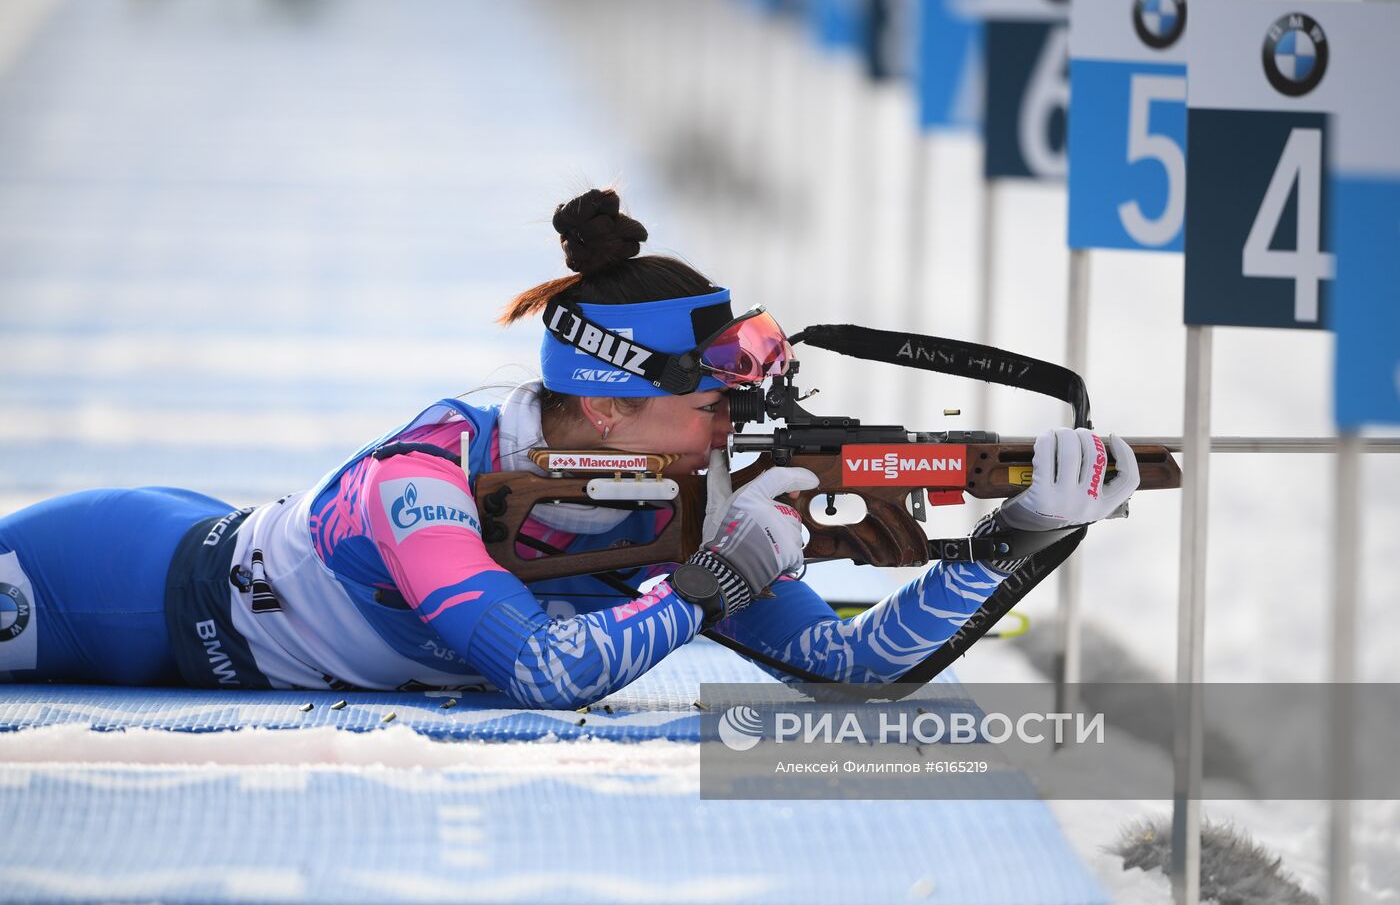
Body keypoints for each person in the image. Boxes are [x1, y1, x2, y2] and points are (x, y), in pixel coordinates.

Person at [0, 190, 1140, 708]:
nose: (728, 429)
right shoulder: (426, 480)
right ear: (602, 408)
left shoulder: (671, 495)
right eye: (708, 401)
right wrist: (722, 576)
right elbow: (548, 675)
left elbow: (858, 667)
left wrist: (1016, 532)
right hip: (114, 584)